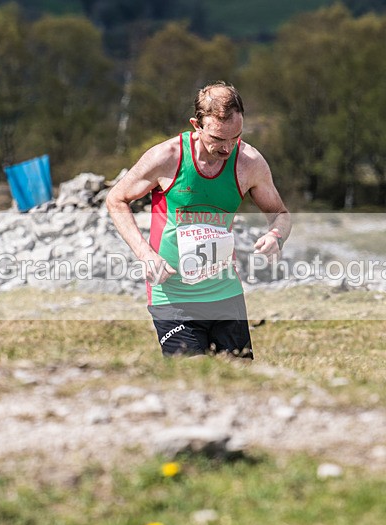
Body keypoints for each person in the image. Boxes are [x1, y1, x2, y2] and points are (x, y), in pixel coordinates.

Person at [107, 81, 291, 359]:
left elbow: (281, 215)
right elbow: (116, 199)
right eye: (218, 138)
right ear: (197, 125)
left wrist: (276, 236)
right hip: (173, 295)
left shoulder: (249, 162)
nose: (227, 148)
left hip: (225, 293)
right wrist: (145, 254)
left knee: (238, 378)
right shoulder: (167, 157)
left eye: (235, 137)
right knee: (191, 375)